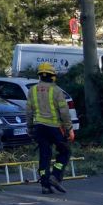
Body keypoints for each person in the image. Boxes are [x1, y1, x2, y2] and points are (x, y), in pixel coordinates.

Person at [26, 62, 75, 194]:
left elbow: (29, 112)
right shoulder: (57, 90)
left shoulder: (32, 90)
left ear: (40, 76)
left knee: (44, 156)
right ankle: (56, 176)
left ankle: (45, 185)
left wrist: (30, 128)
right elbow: (64, 112)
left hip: (39, 128)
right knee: (65, 152)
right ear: (53, 76)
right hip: (54, 128)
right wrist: (69, 129)